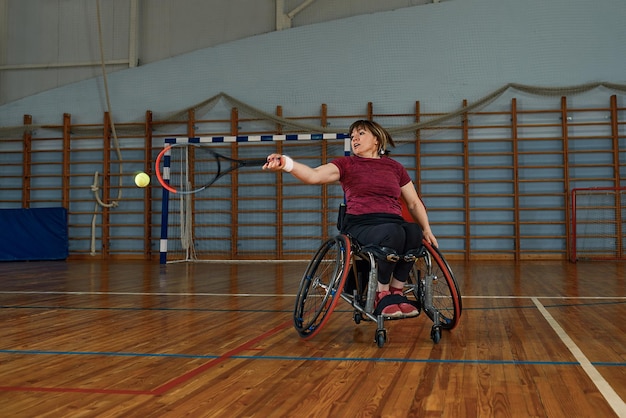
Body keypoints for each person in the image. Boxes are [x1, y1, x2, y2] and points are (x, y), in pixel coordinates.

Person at [263, 120, 437, 319]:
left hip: (391, 220)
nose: (354, 138)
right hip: (361, 223)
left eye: (361, 133)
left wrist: (427, 229)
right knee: (395, 233)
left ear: (377, 139)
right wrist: (287, 163)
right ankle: (381, 294)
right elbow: (313, 175)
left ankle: (396, 292)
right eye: (352, 135)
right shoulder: (346, 164)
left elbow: (414, 203)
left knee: (414, 232)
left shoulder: (395, 167)